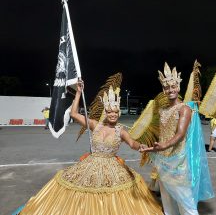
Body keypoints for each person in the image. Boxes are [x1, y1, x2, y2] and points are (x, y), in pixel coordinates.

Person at [13, 81, 163, 215]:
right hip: (90, 165)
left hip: (112, 168)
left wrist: (142, 146)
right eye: (110, 111)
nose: (112, 115)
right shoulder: (94, 125)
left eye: (115, 112)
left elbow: (132, 143)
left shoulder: (121, 130)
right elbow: (73, 113)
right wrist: (78, 92)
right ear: (106, 112)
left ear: (118, 113)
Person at [141, 64, 214, 215]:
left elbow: (180, 134)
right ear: (163, 89)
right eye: (167, 87)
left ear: (178, 87)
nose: (170, 90)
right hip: (163, 160)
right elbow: (161, 134)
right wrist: (153, 147)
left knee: (185, 199)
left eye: (173, 86)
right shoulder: (163, 110)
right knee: (167, 199)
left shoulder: (184, 109)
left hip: (178, 160)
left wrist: (163, 146)